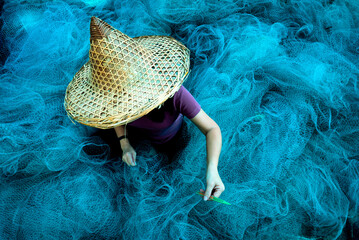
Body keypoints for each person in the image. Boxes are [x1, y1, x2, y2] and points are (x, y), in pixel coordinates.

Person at [64, 17, 225, 201]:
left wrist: (212, 170)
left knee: (172, 170)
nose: (127, 104)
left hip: (174, 138)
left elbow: (212, 129)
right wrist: (124, 144)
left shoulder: (176, 94)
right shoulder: (115, 102)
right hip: (138, 137)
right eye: (120, 100)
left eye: (130, 98)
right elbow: (117, 117)